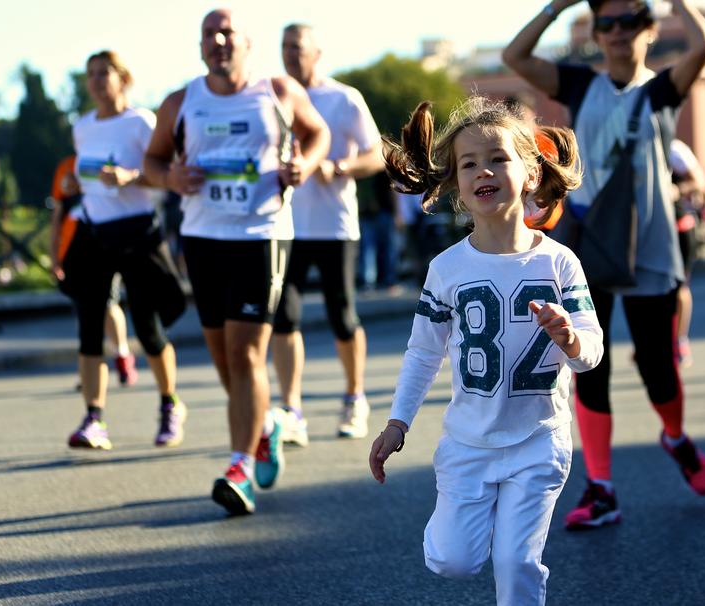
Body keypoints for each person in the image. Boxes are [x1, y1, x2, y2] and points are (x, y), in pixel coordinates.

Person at [370, 97, 601, 606]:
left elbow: (592, 351)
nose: (484, 171)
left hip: (539, 441)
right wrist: (397, 423)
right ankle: (466, 525)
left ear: (531, 172)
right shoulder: (446, 269)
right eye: (469, 163)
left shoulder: (560, 263)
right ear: (455, 183)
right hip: (469, 444)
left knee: (516, 562)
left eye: (498, 158)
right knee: (453, 560)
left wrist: (572, 339)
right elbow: (422, 353)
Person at [503, 0, 705, 529]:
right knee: (587, 366)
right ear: (597, 33)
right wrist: (560, 6)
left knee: (657, 368)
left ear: (649, 28)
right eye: (607, 23)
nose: (618, 31)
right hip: (591, 248)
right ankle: (601, 488)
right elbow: (515, 55)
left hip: (650, 248)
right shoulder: (579, 85)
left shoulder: (663, 90)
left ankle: (675, 436)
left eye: (630, 21)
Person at [143, 9, 330, 516]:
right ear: (200, 45)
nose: (218, 40)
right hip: (202, 238)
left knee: (247, 354)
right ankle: (263, 423)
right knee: (225, 360)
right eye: (209, 33)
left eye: (228, 33)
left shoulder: (277, 91)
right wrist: (170, 179)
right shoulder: (181, 101)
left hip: (261, 234)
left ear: (247, 43)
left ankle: (240, 468)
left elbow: (317, 135)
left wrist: (303, 165)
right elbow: (152, 161)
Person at [63, 50, 186, 451]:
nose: (98, 81)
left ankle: (170, 404)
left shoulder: (141, 122)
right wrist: (75, 186)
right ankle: (93, 418)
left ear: (123, 79)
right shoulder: (82, 127)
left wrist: (129, 176)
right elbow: (87, 177)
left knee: (148, 328)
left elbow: (163, 176)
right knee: (88, 327)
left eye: (106, 73)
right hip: (93, 231)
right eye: (91, 74)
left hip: (136, 232)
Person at [272, 23, 385, 445]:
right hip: (286, 225)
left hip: (335, 225)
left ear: (317, 53)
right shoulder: (273, 96)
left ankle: (355, 398)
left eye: (298, 48)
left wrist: (338, 168)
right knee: (285, 317)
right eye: (284, 47)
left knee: (342, 316)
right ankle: (291, 409)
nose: (290, 55)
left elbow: (378, 155)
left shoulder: (343, 98)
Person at [50, 155, 139, 387]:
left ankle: (121, 355)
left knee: (109, 304)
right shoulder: (66, 166)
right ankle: (89, 370)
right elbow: (58, 212)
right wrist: (54, 255)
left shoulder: (107, 159)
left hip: (105, 242)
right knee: (85, 311)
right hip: (74, 249)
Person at [668, 139, 705, 367]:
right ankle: (652, 341)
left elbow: (701, 182)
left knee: (680, 287)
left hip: (679, 227)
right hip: (648, 231)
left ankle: (679, 340)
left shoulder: (675, 149)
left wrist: (675, 189)